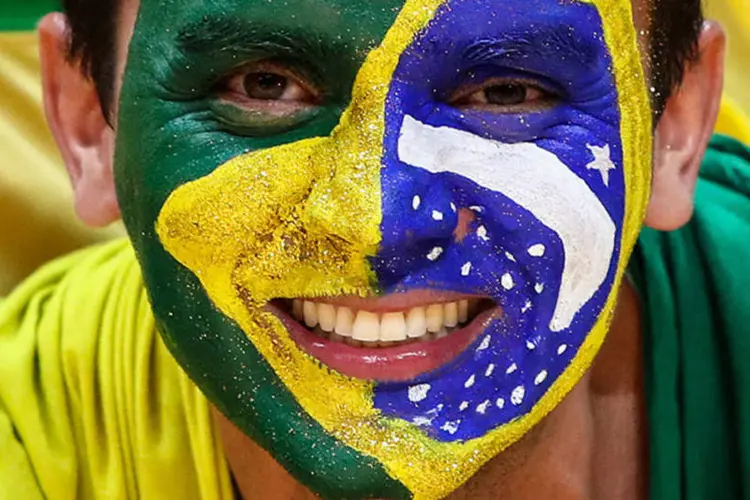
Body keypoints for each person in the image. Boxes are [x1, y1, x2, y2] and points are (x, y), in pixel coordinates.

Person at [1, 0, 749, 499]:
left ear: (674, 126)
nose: (376, 224)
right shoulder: (28, 433)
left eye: (506, 95)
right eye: (264, 85)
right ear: (90, 122)